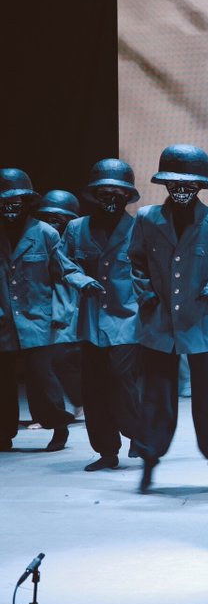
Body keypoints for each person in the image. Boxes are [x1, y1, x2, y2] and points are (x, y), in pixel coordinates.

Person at [131, 145, 208, 492]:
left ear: (201, 186)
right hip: (158, 321)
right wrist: (146, 295)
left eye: (189, 184)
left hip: (202, 322)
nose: (182, 189)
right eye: (175, 183)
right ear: (165, 184)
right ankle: (149, 461)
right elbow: (135, 261)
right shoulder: (147, 218)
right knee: (156, 396)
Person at [0, 169, 100, 452]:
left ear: (26, 202)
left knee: (42, 378)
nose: (10, 207)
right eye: (4, 202)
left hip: (36, 318)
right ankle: (3, 433)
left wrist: (78, 289)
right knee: (3, 382)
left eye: (15, 201)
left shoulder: (44, 233)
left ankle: (57, 426)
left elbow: (63, 271)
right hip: (4, 319)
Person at [63, 159, 146, 470]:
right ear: (94, 195)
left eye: (118, 192)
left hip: (128, 318)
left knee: (122, 378)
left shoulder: (140, 229)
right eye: (104, 192)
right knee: (94, 387)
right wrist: (80, 279)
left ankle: (138, 433)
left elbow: (152, 271)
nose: (111, 198)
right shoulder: (76, 228)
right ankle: (106, 451)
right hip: (91, 320)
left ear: (127, 195)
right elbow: (63, 263)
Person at [33, 190, 86, 416]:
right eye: (48, 217)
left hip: (72, 305)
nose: (52, 222)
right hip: (48, 305)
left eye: (58, 218)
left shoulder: (75, 239)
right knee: (52, 360)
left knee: (61, 358)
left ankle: (78, 402)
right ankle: (66, 407)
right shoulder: (42, 238)